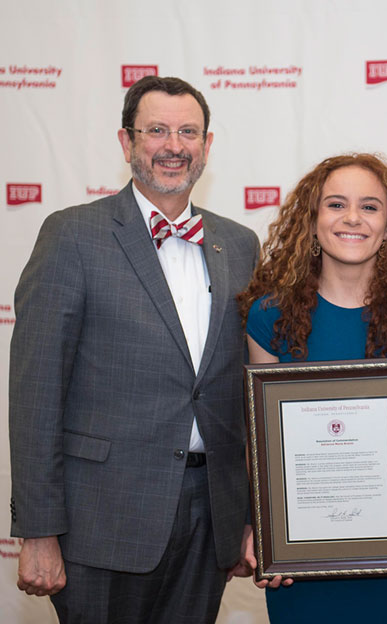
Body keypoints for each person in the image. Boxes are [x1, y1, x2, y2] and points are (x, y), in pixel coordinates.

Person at [9, 75, 260, 623]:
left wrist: (252, 515)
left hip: (210, 516)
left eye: (188, 131)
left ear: (207, 146)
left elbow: (247, 389)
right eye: (156, 131)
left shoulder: (240, 244)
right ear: (126, 142)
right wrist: (38, 530)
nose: (174, 146)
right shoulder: (72, 235)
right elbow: (35, 392)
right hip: (99, 521)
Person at [237, 153, 387, 623]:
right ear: (312, 220)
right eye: (336, 204)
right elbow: (259, 446)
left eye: (370, 207)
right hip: (299, 565)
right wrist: (263, 528)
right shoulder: (269, 316)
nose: (353, 218)